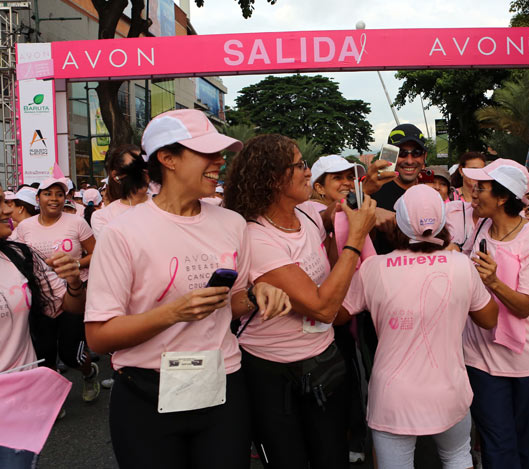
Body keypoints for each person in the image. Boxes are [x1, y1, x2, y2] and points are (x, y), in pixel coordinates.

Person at [84, 109, 291, 469]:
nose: (219, 161)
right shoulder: (123, 232)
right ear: (167, 159)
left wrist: (258, 294)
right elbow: (99, 337)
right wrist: (174, 313)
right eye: (207, 154)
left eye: (221, 153)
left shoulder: (231, 223)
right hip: (145, 392)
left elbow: (232, 303)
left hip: (223, 384)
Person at [224, 133, 376, 469]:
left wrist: (367, 187)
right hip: (272, 373)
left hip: (322, 359)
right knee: (289, 460)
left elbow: (335, 226)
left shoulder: (306, 214)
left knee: (332, 455)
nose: (308, 172)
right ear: (273, 178)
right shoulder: (256, 235)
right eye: (300, 165)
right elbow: (322, 307)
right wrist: (357, 238)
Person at [338, 184, 498, 469]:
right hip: (449, 390)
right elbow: (489, 319)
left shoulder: (374, 269)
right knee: (458, 458)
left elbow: (337, 314)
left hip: (393, 396)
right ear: (442, 224)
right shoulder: (462, 265)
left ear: (397, 222)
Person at [462, 158, 529, 469]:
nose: (474, 194)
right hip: (482, 359)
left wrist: (492, 281)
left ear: (503, 197)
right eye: (474, 186)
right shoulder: (482, 227)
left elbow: (524, 307)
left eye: (481, 188)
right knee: (496, 448)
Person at [0, 183, 86, 468]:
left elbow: (66, 305)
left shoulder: (20, 256)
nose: (7, 210)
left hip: (17, 405)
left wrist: (74, 281)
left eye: (5, 201)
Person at [13, 177, 99, 402]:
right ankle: (52, 399)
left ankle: (89, 374)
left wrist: (75, 265)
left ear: (65, 198)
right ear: (38, 198)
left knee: (72, 354)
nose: (54, 199)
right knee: (45, 352)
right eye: (48, 194)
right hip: (40, 296)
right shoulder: (24, 227)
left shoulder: (76, 223)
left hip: (74, 293)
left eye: (59, 194)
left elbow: (95, 252)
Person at [309, 153, 370, 464]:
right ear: (318, 187)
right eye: (338, 177)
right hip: (318, 317)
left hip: (347, 315)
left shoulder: (354, 213)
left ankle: (351, 439)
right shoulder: (308, 218)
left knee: (349, 378)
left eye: (351, 176)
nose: (347, 182)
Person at [371, 123, 427, 255]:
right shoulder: (375, 191)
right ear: (390, 155)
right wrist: (370, 212)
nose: (409, 160)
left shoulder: (429, 193)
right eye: (402, 153)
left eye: (416, 153)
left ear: (424, 156)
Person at [90, 144, 148, 239]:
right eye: (134, 168)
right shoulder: (102, 217)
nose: (143, 173)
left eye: (144, 166)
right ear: (116, 176)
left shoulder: (165, 206)